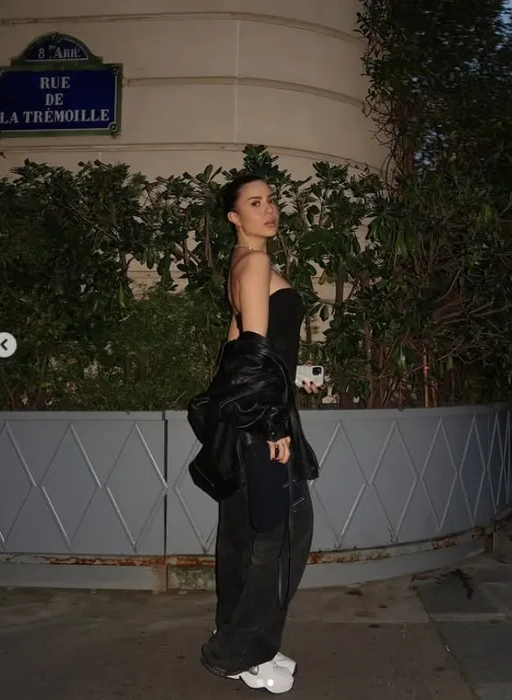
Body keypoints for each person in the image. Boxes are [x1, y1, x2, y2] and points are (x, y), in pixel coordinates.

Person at [187, 174, 320, 694]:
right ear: (234, 217)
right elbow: (252, 355)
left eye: (272, 201)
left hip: (251, 414)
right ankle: (241, 650)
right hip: (262, 420)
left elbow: (236, 346)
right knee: (284, 534)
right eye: (255, 202)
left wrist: (290, 378)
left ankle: (242, 639)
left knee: (244, 535)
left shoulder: (242, 264)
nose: (270, 210)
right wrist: (271, 424)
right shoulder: (257, 264)